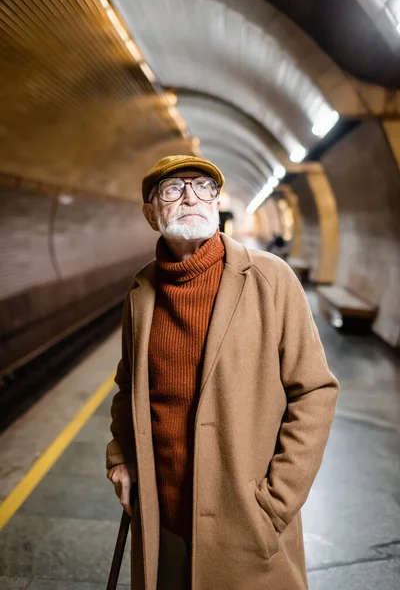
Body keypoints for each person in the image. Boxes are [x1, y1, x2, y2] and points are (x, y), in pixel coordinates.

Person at [106, 155, 339, 590]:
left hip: (246, 527)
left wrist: (276, 503)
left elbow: (315, 391)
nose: (190, 196)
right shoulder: (140, 297)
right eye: (172, 189)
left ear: (217, 203)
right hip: (163, 521)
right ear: (151, 214)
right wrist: (122, 456)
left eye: (202, 186)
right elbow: (127, 389)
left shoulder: (270, 279)